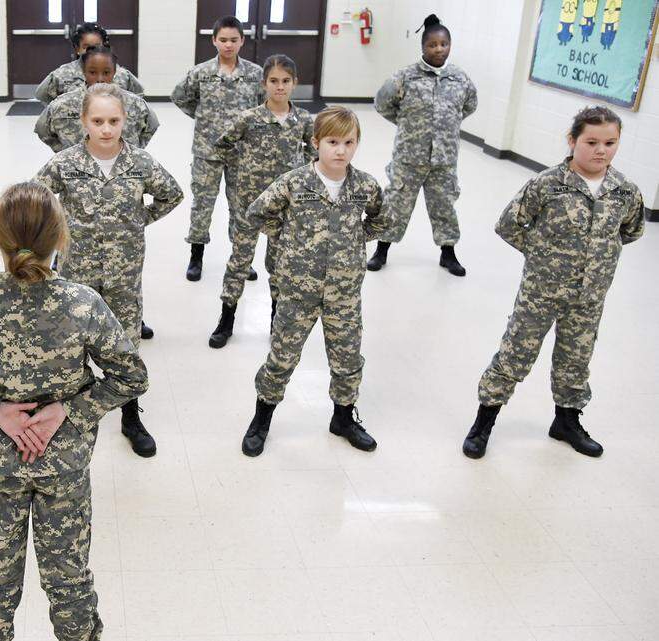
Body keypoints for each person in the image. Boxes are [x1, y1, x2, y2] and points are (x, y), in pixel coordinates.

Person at [0, 181, 148, 641]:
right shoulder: (84, 305)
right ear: (62, 237)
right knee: (69, 579)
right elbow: (131, 377)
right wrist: (69, 412)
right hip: (65, 465)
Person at [462, 106, 644, 460]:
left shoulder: (624, 191)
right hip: (540, 294)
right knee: (515, 354)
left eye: (610, 142)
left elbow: (630, 230)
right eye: (591, 141)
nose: (600, 150)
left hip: (590, 296)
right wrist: (542, 255)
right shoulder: (548, 184)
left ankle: (567, 421)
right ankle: (484, 421)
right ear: (573, 141)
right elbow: (509, 224)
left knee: (576, 359)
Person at [34, 83, 183, 457]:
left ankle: (130, 415)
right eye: (97, 120)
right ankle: (65, 411)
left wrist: (139, 220)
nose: (105, 129)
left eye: (113, 120)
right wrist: (57, 231)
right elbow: (36, 199)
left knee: (127, 342)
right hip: (77, 272)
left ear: (124, 121)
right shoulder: (65, 164)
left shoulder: (140, 163)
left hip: (124, 273)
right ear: (83, 121)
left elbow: (172, 193)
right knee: (71, 340)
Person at [235, 106, 386, 457]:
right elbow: (257, 212)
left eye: (349, 142)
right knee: (282, 357)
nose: (341, 150)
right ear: (315, 142)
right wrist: (288, 238)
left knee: (348, 359)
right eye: (333, 141)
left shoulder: (364, 185)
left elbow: (383, 220)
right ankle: (262, 418)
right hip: (298, 292)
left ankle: (344, 418)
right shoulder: (295, 182)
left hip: (344, 293)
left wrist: (354, 241)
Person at [209, 54, 316, 348]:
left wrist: (302, 174)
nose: (279, 87)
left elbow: (316, 152)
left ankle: (276, 320)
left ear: (295, 84)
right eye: (273, 81)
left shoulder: (303, 120)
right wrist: (241, 167)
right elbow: (222, 145)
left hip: (283, 207)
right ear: (263, 83)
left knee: (280, 265)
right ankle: (226, 319)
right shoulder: (250, 118)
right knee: (239, 261)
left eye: (285, 81)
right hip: (250, 204)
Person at [366, 14, 478, 276]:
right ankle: (381, 250)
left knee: (444, 206)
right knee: (395, 204)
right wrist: (407, 123)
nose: (438, 49)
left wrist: (445, 127)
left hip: (444, 160)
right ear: (423, 47)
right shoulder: (405, 77)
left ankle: (448, 254)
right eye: (432, 45)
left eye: (443, 44)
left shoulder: (459, 78)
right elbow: (382, 103)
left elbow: (469, 105)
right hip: (409, 157)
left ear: (450, 45)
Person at [171, 15, 264, 282]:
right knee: (203, 204)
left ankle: (241, 259)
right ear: (214, 41)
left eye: (234, 40)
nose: (228, 45)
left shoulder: (255, 74)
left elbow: (262, 107)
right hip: (207, 151)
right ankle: (196, 256)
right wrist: (203, 117)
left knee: (241, 206)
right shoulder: (201, 72)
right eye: (223, 40)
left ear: (242, 41)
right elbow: (180, 97)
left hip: (241, 153)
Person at [34, 45, 158, 152]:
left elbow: (151, 126)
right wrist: (63, 152)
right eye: (92, 72)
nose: (100, 78)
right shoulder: (63, 103)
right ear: (83, 72)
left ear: (114, 72)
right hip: (78, 172)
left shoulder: (135, 103)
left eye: (106, 72)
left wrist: (133, 151)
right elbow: (42, 129)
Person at [35, 22, 143, 104]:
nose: (92, 50)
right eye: (86, 47)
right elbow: (42, 95)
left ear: (104, 46)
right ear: (77, 48)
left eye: (97, 46)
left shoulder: (121, 74)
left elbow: (137, 94)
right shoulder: (62, 74)